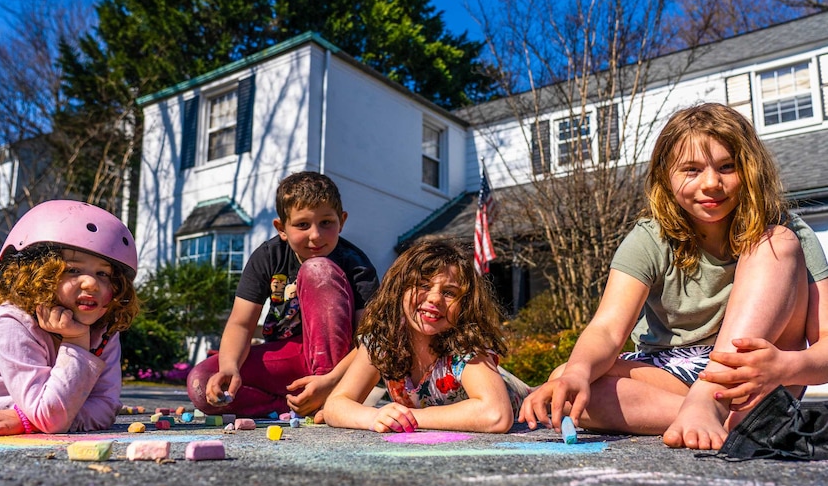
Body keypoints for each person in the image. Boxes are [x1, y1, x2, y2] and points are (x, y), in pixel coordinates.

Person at [519, 102, 828, 450]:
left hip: (754, 374)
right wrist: (578, 371)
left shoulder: (789, 231)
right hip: (669, 372)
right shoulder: (651, 237)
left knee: (777, 242)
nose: (711, 183)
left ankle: (711, 401)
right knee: (568, 379)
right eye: (691, 170)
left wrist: (787, 366)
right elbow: (607, 328)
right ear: (666, 176)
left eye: (727, 166)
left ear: (751, 168)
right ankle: (718, 416)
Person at [187, 172, 379, 419]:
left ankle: (331, 399)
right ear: (282, 228)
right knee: (202, 384)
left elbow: (371, 339)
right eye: (302, 225)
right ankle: (295, 407)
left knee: (318, 268)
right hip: (287, 356)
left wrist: (331, 380)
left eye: (326, 223)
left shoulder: (356, 264)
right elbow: (241, 324)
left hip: (341, 369)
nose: (315, 235)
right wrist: (229, 367)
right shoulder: (268, 257)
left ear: (341, 221)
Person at [0, 200, 140, 436]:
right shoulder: (11, 324)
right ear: (36, 275)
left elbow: (105, 407)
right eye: (73, 270)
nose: (92, 283)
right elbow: (53, 416)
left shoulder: (104, 330)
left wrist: (27, 420)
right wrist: (77, 341)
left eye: (103, 274)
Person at [323, 240, 530, 433]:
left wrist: (410, 417)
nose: (434, 298)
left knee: (543, 394)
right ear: (399, 290)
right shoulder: (382, 342)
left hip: (516, 392)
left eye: (449, 292)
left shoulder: (466, 347)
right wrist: (373, 416)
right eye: (423, 285)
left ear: (465, 305)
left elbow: (496, 415)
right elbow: (335, 404)